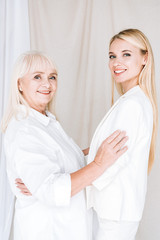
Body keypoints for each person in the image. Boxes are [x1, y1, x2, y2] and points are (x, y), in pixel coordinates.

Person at [1, 51, 128, 240]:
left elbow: (67, 161)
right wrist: (99, 164)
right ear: (19, 84)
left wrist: (97, 150)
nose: (47, 84)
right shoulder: (24, 130)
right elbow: (51, 191)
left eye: (52, 77)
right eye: (37, 77)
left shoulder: (46, 121)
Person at [86, 29, 158, 240]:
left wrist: (65, 187)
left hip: (115, 211)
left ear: (145, 58)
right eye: (112, 56)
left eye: (126, 54)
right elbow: (101, 151)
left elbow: (112, 160)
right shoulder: (132, 100)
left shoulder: (133, 104)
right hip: (115, 210)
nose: (117, 62)